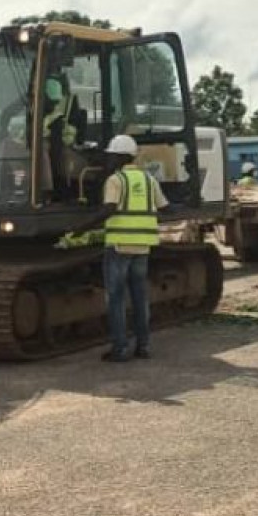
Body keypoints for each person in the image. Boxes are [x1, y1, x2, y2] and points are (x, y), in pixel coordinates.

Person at [101, 133, 165, 363]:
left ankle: (120, 349)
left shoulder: (115, 180)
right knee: (140, 296)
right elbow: (163, 206)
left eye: (111, 156)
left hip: (119, 246)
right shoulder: (149, 180)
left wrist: (80, 226)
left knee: (116, 298)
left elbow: (109, 209)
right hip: (142, 247)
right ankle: (143, 346)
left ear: (119, 157)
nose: (109, 160)